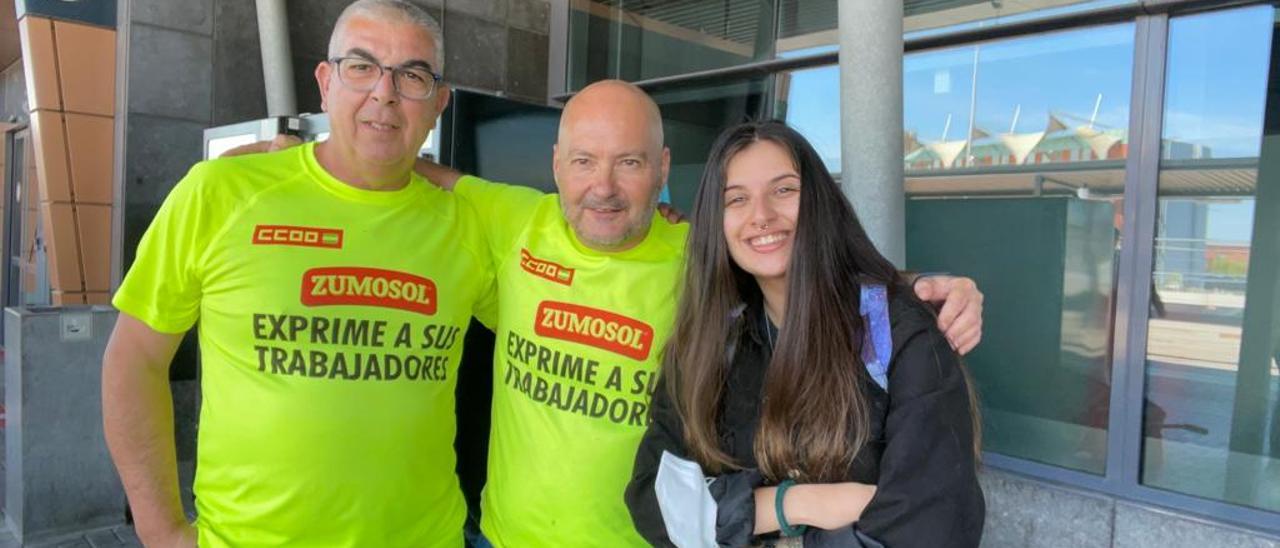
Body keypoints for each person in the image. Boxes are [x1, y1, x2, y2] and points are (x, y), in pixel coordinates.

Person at [228, 80, 984, 547]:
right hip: (506, 539)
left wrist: (914, 286)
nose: (603, 186)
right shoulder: (512, 222)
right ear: (556, 166)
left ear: (661, 171)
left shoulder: (700, 265)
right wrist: (303, 158)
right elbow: (421, 174)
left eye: (628, 162)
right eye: (583, 161)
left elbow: (801, 262)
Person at [101, 2, 496, 546]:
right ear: (325, 82)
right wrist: (160, 529)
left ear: (439, 104)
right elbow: (134, 359)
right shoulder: (219, 194)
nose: (384, 92)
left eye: (413, 75)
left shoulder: (469, 227)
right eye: (361, 66)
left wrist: (651, 225)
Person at [626, 121, 985, 547]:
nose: (761, 215)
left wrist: (727, 514)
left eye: (784, 190)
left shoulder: (897, 332)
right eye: (736, 199)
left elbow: (933, 521)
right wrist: (793, 504)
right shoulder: (710, 344)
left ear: (818, 201)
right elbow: (655, 501)